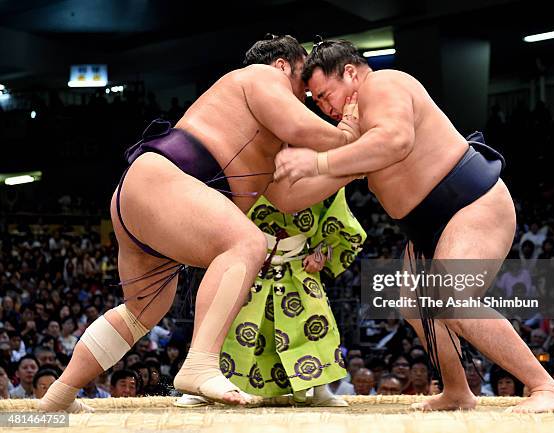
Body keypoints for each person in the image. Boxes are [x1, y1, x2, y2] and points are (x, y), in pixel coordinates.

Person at [38, 34, 360, 413]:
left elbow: (286, 197)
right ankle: (200, 363)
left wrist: (351, 168)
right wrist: (346, 135)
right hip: (167, 180)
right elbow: (301, 128)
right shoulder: (260, 76)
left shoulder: (267, 136)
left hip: (153, 197)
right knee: (249, 243)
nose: (305, 95)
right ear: (282, 65)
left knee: (142, 312)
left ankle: (58, 396)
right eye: (303, 80)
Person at [274, 39, 554, 412]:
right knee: (415, 307)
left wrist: (318, 162)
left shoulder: (383, 85)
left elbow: (396, 141)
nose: (323, 106)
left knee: (451, 298)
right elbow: (301, 194)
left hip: (469, 203)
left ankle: (545, 386)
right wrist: (293, 177)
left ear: (350, 73)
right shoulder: (355, 133)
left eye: (324, 94)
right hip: (426, 226)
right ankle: (457, 391)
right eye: (316, 102)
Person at [176, 188, 365, 407]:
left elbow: (339, 225)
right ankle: (201, 384)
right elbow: (212, 213)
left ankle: (319, 389)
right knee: (226, 322)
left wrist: (322, 252)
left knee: (316, 322)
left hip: (298, 263)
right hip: (246, 258)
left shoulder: (323, 179)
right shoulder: (245, 172)